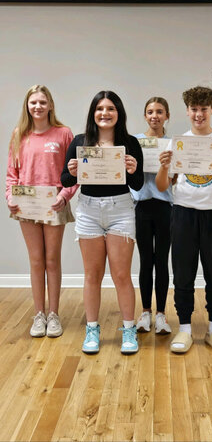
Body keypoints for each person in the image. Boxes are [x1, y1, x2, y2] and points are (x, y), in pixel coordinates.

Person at [155, 86, 212, 354]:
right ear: (187, 111)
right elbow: (161, 187)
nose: (199, 114)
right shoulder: (178, 143)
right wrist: (165, 165)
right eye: (194, 109)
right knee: (182, 273)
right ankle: (184, 330)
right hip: (183, 213)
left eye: (204, 109)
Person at [60, 90, 144, 354]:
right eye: (100, 108)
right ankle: (92, 330)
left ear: (118, 113)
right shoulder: (80, 141)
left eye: (110, 109)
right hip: (89, 210)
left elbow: (138, 184)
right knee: (92, 275)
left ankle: (129, 331)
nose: (105, 113)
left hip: (121, 209)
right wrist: (72, 171)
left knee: (121, 275)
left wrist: (132, 170)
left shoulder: (129, 143)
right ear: (92, 113)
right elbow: (65, 180)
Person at [6, 85, 77, 338]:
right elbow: (12, 176)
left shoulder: (63, 133)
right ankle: (39, 314)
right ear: (27, 105)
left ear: (50, 106)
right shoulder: (19, 135)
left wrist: (64, 195)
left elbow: (74, 174)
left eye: (42, 102)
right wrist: (9, 198)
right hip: (27, 206)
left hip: (54, 204)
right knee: (36, 261)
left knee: (51, 260)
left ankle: (54, 314)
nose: (38, 107)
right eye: (33, 102)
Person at [131, 97, 173, 335]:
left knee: (162, 261)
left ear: (167, 116)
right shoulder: (135, 142)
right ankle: (145, 312)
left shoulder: (172, 144)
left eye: (159, 112)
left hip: (166, 206)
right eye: (150, 111)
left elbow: (175, 179)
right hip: (142, 206)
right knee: (146, 260)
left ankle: (161, 315)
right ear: (145, 115)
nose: (154, 116)